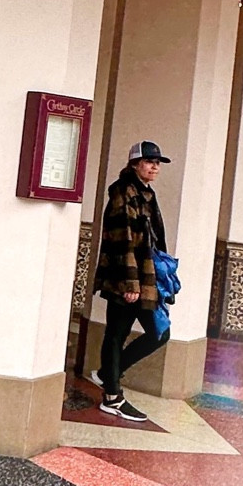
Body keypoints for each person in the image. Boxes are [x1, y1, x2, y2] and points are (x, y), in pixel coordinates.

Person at [93, 139, 172, 421]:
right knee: (117, 334)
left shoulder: (146, 193)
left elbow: (153, 241)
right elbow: (122, 241)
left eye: (157, 163)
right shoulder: (122, 192)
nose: (154, 167)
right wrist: (130, 284)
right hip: (126, 280)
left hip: (144, 278)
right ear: (135, 164)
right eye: (149, 162)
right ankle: (112, 396)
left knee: (159, 333)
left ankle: (108, 375)